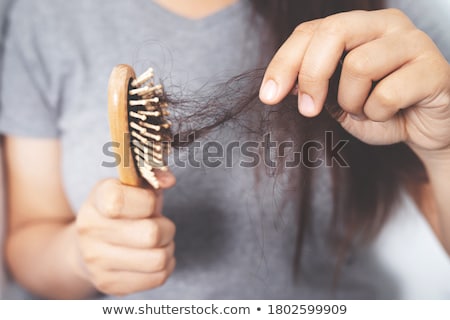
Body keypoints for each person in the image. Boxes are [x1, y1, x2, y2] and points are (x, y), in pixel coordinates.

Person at [0, 0, 449, 299]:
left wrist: (443, 150)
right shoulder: (48, 18)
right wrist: (80, 256)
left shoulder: (366, 21)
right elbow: (29, 238)